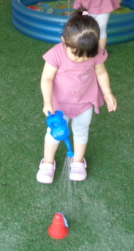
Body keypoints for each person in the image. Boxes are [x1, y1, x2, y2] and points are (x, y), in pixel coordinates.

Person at [36, 13, 117, 184]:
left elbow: (101, 73)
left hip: (85, 102)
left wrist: (107, 93)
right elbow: (47, 78)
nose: (81, 59)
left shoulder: (95, 53)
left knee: (81, 130)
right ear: (64, 41)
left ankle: (78, 161)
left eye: (86, 55)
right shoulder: (56, 54)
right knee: (54, 133)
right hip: (59, 105)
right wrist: (47, 102)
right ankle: (48, 163)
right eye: (76, 54)